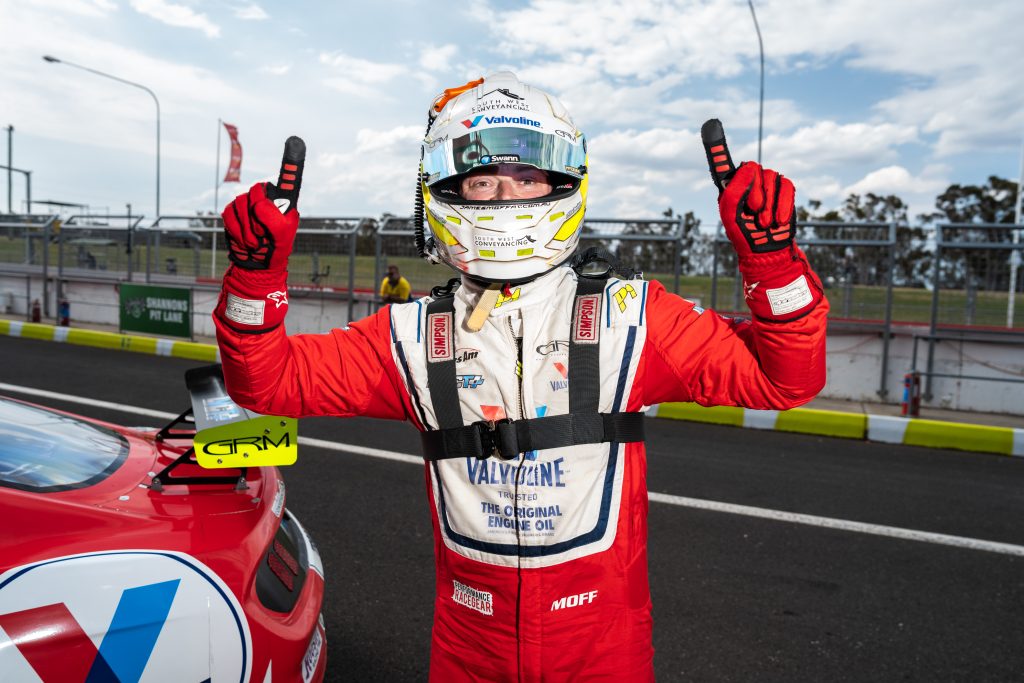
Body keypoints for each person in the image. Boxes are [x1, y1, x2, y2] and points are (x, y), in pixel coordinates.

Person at [214, 71, 828, 682]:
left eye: (527, 175)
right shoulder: (407, 335)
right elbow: (267, 384)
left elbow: (784, 381)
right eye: (483, 178)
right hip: (466, 651)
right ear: (446, 188)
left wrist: (771, 261)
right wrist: (254, 278)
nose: (507, 192)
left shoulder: (629, 317)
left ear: (564, 181)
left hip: (602, 653)